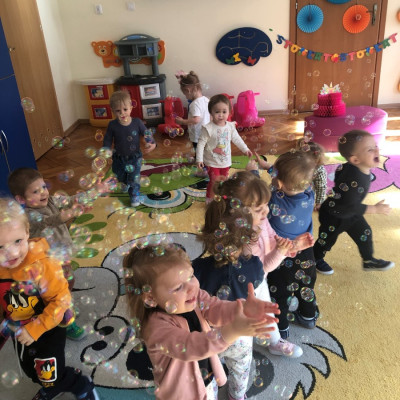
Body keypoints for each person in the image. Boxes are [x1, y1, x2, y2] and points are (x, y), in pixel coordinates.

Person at [124, 243, 279, 400]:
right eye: (178, 287)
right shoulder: (156, 328)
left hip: (206, 375)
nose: (192, 287)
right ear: (151, 298)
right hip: (184, 392)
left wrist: (241, 308)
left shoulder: (194, 296)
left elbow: (216, 307)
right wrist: (231, 331)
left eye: (191, 276)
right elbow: (189, 346)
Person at [0, 198, 99, 400]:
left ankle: (80, 384)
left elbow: (61, 300)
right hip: (19, 327)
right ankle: (50, 386)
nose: (12, 253)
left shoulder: (42, 263)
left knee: (49, 373)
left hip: (48, 327)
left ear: (27, 232)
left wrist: (35, 329)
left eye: (17, 241)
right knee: (30, 369)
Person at [8, 168, 88, 341]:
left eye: (43, 187)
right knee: (56, 292)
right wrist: (70, 213)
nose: (43, 193)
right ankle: (65, 318)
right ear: (21, 199)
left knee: (68, 283)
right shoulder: (29, 216)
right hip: (48, 263)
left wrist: (89, 195)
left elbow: (70, 199)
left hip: (62, 256)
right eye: (35, 191)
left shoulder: (51, 200)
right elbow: (51, 221)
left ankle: (65, 305)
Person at [313, 130, 394, 275]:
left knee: (364, 232)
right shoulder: (354, 179)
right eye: (370, 149)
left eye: (375, 146)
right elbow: (350, 205)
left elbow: (339, 171)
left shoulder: (355, 167)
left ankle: (368, 260)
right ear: (355, 160)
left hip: (350, 213)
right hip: (335, 215)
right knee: (327, 240)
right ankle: (315, 258)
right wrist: (375, 209)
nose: (377, 150)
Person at [265, 151, 319, 338]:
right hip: (306, 251)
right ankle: (308, 316)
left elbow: (261, 195)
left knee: (279, 291)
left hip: (282, 252)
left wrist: (257, 172)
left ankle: (281, 328)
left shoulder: (274, 199)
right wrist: (271, 170)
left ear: (279, 184)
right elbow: (287, 180)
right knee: (306, 286)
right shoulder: (310, 194)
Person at [103, 90, 156, 207]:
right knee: (119, 175)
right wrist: (106, 149)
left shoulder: (137, 122)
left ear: (131, 108)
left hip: (134, 157)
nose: (122, 113)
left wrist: (152, 143)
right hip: (118, 158)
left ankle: (134, 195)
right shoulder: (112, 125)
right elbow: (107, 139)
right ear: (113, 111)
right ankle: (124, 183)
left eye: (125, 109)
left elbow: (147, 133)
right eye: (118, 111)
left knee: (134, 178)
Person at [196, 94, 252, 203]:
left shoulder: (230, 126)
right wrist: (199, 159)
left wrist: (245, 149)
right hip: (212, 162)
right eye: (217, 112)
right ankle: (210, 200)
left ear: (229, 112)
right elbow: (201, 144)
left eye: (224, 112)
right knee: (214, 181)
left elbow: (237, 139)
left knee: (225, 180)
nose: (221, 115)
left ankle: (223, 198)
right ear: (211, 112)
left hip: (225, 161)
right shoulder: (208, 128)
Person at [175, 70, 210, 151]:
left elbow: (196, 119)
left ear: (188, 90)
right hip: (207, 133)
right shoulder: (206, 100)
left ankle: (199, 159)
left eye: (185, 94)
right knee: (205, 151)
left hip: (198, 135)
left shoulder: (195, 104)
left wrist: (182, 121)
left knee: (199, 152)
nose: (186, 97)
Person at [297, 139, 328, 211]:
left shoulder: (320, 170)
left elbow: (321, 187)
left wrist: (319, 203)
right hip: (295, 190)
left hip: (307, 195)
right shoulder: (298, 163)